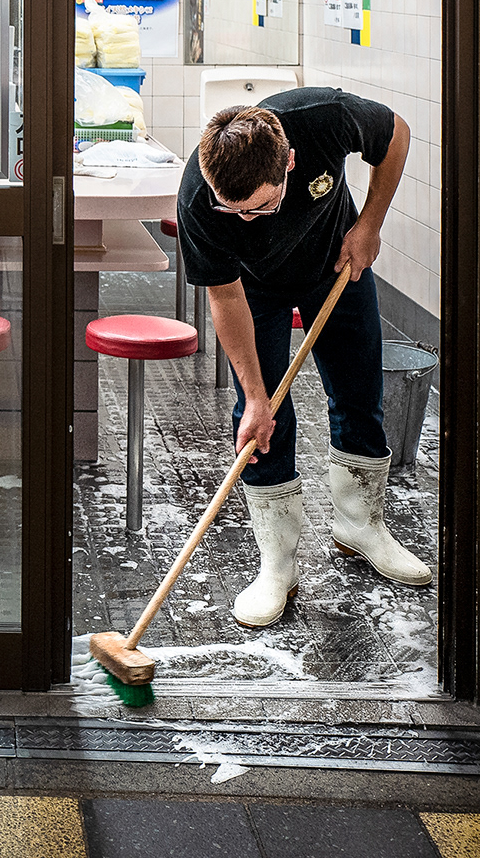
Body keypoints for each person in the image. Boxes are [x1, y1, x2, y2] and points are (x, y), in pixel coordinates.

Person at [175, 89, 429, 630]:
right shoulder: (199, 199)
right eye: (235, 211)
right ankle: (278, 562)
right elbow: (224, 297)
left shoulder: (323, 119)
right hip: (253, 289)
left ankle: (361, 526)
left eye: (262, 206)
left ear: (290, 162)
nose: (249, 219)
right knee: (262, 422)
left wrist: (369, 225)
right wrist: (255, 397)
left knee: (359, 393)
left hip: (336, 262)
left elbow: (397, 134)